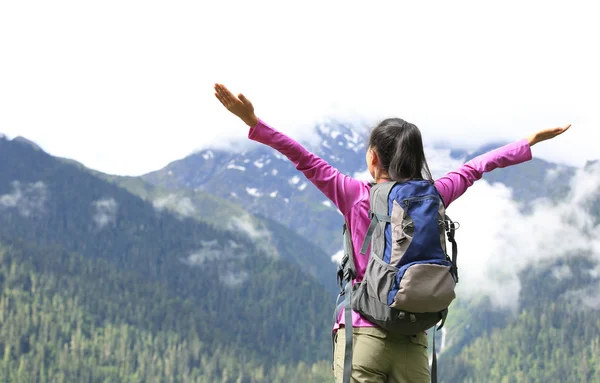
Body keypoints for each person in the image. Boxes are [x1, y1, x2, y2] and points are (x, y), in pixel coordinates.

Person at [213, 83, 571, 383]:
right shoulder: (435, 193)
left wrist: (255, 123)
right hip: (413, 337)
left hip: (362, 333)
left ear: (373, 159)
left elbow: (303, 157)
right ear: (416, 158)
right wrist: (527, 142)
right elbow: (476, 167)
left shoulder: (354, 194)